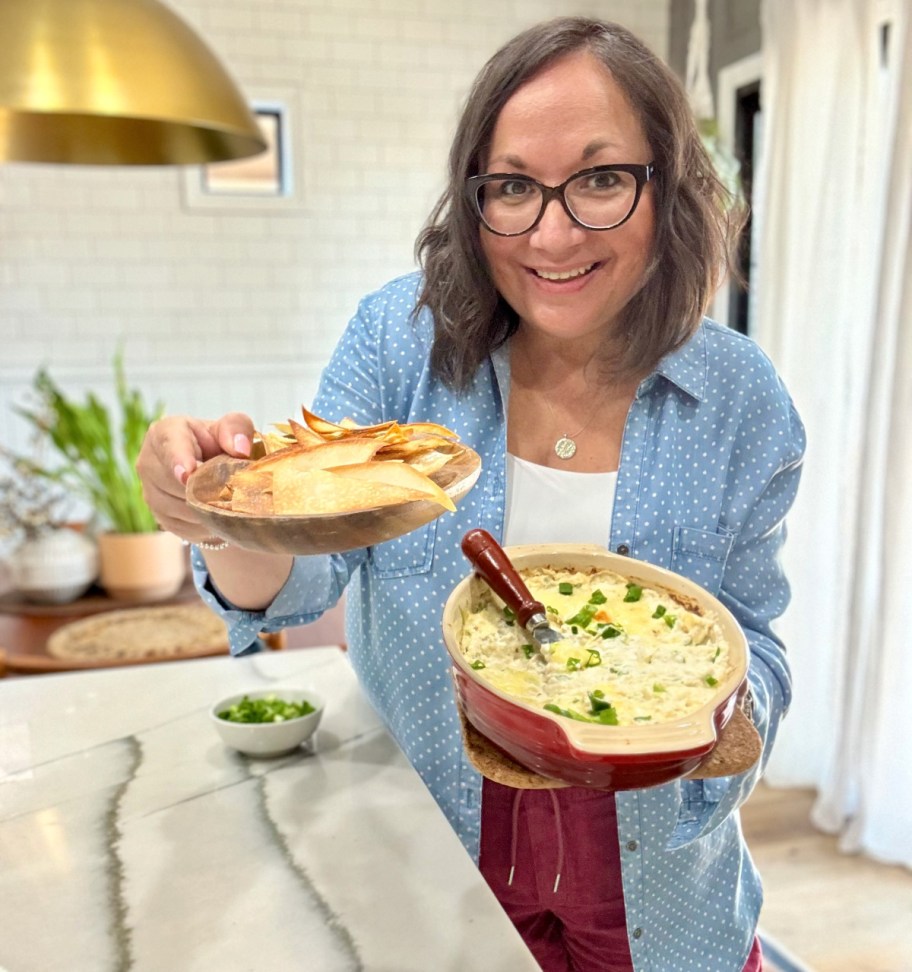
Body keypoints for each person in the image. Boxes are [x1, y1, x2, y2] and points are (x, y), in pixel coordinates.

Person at [137, 17, 805, 972]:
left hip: (662, 886)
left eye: (602, 177)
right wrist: (224, 510)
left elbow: (756, 646)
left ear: (669, 186)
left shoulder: (741, 401)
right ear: (474, 198)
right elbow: (294, 584)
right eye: (513, 187)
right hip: (428, 851)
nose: (554, 231)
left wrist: (688, 719)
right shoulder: (399, 346)